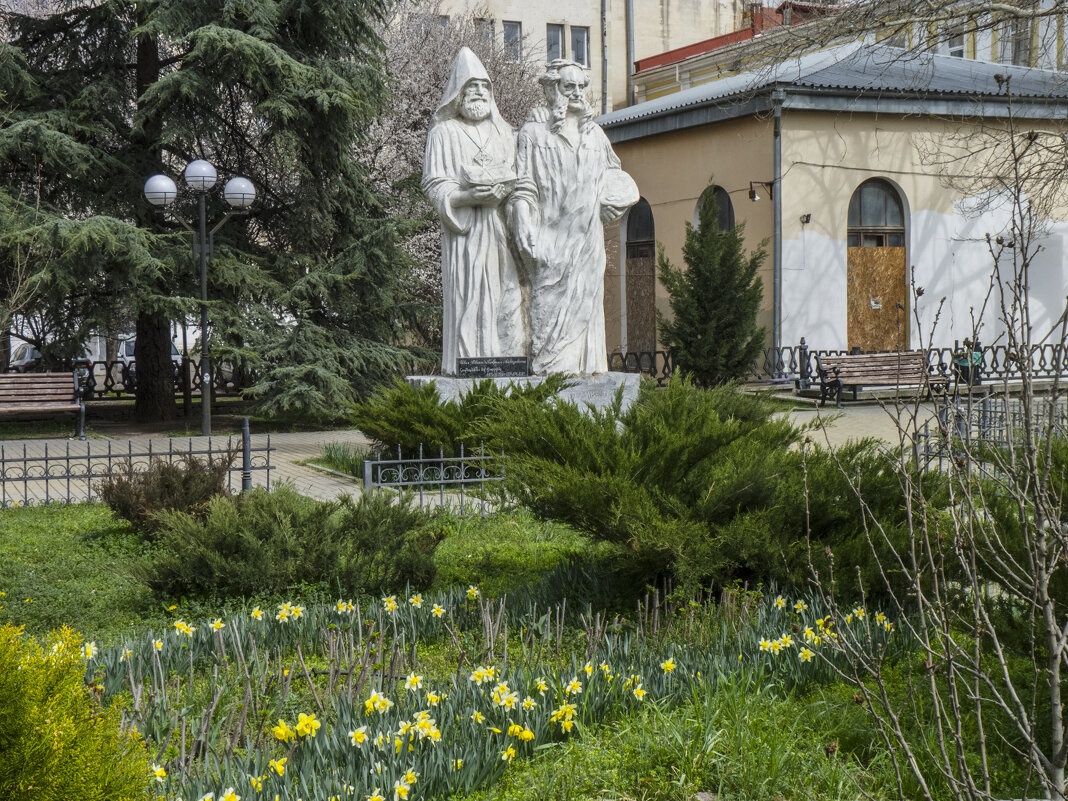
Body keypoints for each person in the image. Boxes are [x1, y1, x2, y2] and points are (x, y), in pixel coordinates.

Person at [509, 59, 637, 375]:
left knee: (587, 319)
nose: (577, 93)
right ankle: (551, 378)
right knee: (546, 326)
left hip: (587, 246)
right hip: (550, 243)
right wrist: (523, 218)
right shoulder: (533, 134)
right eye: (569, 87)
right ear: (553, 90)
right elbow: (522, 184)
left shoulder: (596, 137)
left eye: (581, 86)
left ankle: (588, 374)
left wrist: (614, 203)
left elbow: (615, 177)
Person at [422, 47, 526, 375]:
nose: (480, 91)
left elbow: (522, 180)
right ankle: (469, 364)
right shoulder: (443, 133)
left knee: (508, 296)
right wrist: (467, 197)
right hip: (465, 235)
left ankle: (507, 359)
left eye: (485, 86)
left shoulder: (506, 134)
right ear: (459, 92)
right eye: (472, 85)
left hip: (500, 229)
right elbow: (434, 184)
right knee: (469, 297)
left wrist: (503, 193)